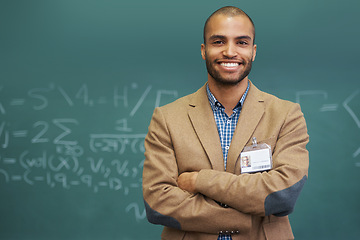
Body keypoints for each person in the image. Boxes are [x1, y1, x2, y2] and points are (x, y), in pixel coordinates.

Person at [142, 6, 309, 240]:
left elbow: (282, 195)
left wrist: (200, 180)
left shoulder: (286, 115)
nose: (230, 52)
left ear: (253, 51)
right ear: (203, 50)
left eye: (241, 42)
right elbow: (158, 201)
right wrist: (244, 219)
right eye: (218, 41)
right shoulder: (167, 118)